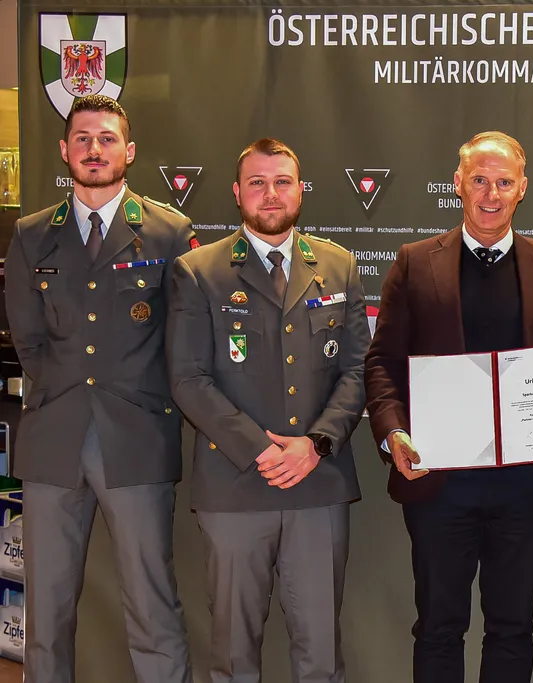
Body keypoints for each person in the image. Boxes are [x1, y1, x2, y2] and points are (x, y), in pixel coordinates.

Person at [364, 131, 533, 683]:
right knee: (438, 628)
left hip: (522, 484)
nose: (491, 194)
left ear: (523, 188)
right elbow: (382, 363)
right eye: (480, 180)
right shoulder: (414, 262)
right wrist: (393, 434)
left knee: (512, 629)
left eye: (504, 182)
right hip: (439, 482)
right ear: (458, 184)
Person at [4, 94, 194, 683]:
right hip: (53, 439)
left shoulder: (168, 232)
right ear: (64, 151)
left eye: (107, 138)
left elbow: (181, 341)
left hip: (136, 438)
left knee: (152, 607)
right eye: (83, 139)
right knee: (47, 614)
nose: (94, 149)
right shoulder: (32, 234)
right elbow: (29, 341)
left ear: (128, 151)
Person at [167, 138, 370, 683]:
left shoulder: (338, 266)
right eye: (257, 183)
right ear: (237, 193)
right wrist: (262, 450)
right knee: (234, 654)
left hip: (318, 482)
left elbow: (357, 371)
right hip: (234, 486)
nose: (271, 193)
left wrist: (315, 444)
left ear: (300, 190)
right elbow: (188, 379)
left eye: (282, 181)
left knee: (320, 654)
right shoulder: (198, 271)